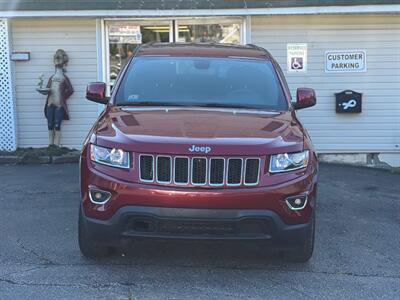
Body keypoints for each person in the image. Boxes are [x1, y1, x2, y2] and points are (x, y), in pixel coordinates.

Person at [43, 49, 73, 146]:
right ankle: (50, 145)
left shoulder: (64, 78)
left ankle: (56, 145)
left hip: (59, 104)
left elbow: (70, 90)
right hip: (50, 103)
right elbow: (47, 89)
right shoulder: (51, 78)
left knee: (57, 124)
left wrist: (63, 97)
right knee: (50, 124)